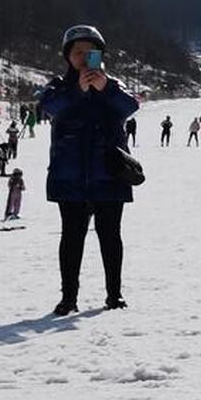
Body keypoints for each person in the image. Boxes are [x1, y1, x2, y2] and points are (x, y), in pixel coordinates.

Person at [38, 23, 139, 314]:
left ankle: (114, 295)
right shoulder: (59, 86)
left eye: (90, 52)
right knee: (71, 238)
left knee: (111, 236)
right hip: (69, 176)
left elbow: (130, 106)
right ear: (68, 56)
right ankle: (68, 297)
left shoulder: (113, 84)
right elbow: (50, 108)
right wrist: (78, 92)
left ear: (100, 55)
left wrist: (104, 88)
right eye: (78, 52)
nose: (83, 57)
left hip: (110, 173)